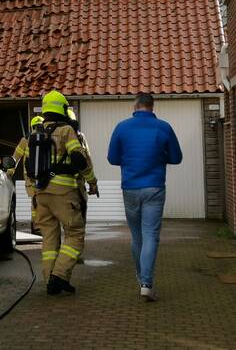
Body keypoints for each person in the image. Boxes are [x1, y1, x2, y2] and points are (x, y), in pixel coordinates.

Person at [107, 93, 182, 302]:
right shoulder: (164, 127)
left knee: (137, 235)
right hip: (154, 188)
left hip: (130, 187)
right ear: (152, 107)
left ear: (136, 106)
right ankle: (147, 284)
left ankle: (142, 279)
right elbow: (177, 158)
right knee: (150, 234)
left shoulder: (122, 127)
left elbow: (112, 158)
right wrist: (159, 157)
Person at [33, 90, 97, 295]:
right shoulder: (66, 130)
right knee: (75, 234)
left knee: (50, 239)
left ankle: (50, 281)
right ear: (62, 108)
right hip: (63, 193)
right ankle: (59, 275)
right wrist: (92, 182)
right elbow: (80, 160)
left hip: (40, 194)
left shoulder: (36, 131)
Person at [9, 114, 45, 233]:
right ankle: (42, 226)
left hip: (30, 178)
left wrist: (10, 172)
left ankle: (36, 226)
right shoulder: (48, 138)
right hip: (45, 177)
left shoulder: (25, 139)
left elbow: (16, 157)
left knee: (35, 201)